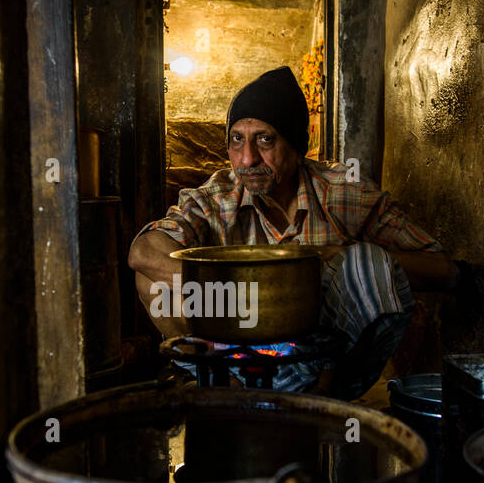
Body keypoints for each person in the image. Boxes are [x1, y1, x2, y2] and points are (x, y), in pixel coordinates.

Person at [128, 65, 458, 397]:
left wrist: (338, 258)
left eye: (265, 140)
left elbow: (445, 271)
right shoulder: (217, 197)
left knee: (369, 264)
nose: (247, 159)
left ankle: (322, 397)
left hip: (321, 358)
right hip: (236, 350)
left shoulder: (342, 193)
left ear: (297, 146)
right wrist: (236, 295)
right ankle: (230, 390)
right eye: (236, 140)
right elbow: (143, 251)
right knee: (152, 280)